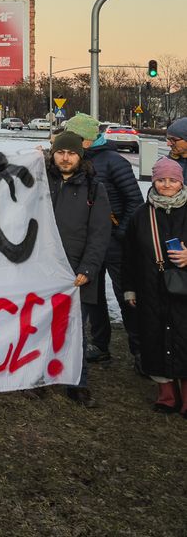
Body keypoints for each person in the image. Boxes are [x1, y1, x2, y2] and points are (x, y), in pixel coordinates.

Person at [65, 113, 144, 368]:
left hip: (116, 243)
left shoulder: (114, 162)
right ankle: (99, 344)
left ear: (86, 140)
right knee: (93, 296)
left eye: (73, 137)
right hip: (89, 243)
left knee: (125, 296)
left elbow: (134, 201)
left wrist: (119, 234)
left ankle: (141, 352)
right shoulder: (77, 161)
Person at [46, 130, 111, 408]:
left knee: (74, 331)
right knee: (41, 327)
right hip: (43, 271)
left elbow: (100, 233)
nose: (65, 158)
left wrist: (89, 267)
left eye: (71, 153)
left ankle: (78, 383)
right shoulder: (41, 182)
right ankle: (40, 377)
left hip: (76, 273)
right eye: (60, 152)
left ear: (79, 156)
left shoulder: (95, 189)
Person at [122, 157, 187, 414]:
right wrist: (130, 288)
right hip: (150, 289)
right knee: (155, 338)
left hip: (184, 292)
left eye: (172, 180)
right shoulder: (141, 214)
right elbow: (128, 255)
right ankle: (167, 395)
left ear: (181, 181)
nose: (166, 185)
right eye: (161, 180)